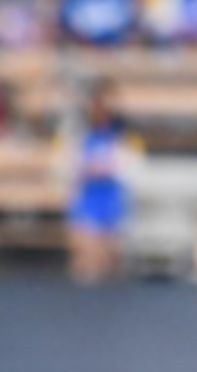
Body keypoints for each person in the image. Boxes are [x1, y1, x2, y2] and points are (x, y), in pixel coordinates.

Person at [66, 80, 141, 284]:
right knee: (86, 263)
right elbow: (73, 165)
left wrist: (107, 167)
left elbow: (129, 165)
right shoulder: (80, 135)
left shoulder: (123, 136)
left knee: (111, 261)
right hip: (88, 197)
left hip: (112, 197)